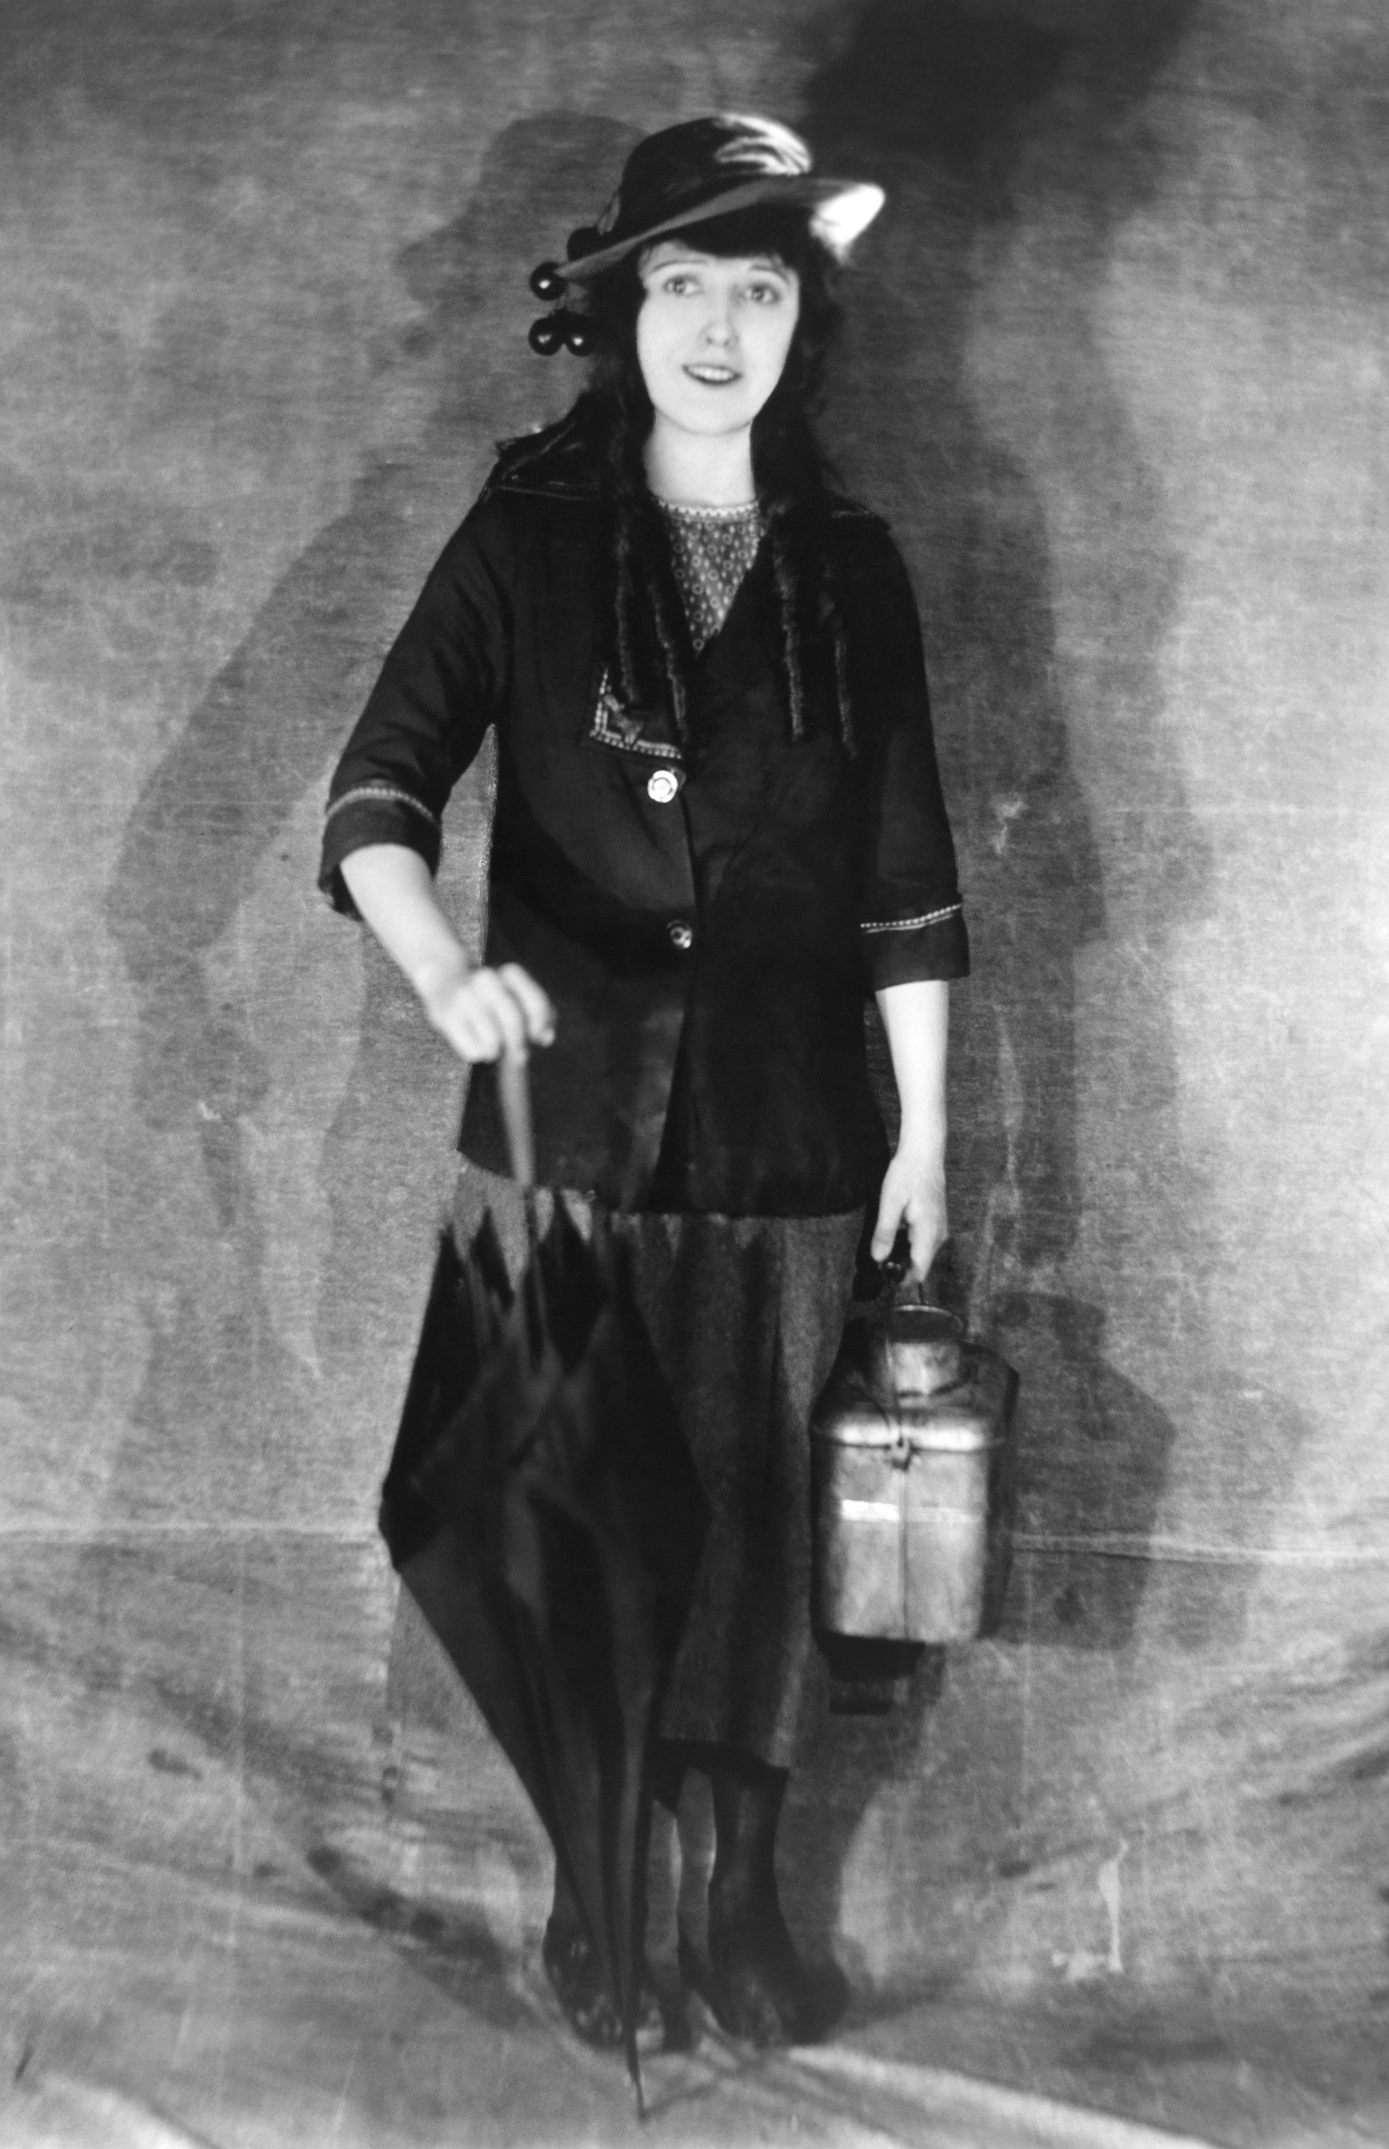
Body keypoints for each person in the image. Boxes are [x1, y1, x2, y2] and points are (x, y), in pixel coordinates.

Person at [318, 114, 968, 2050]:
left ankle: (738, 1897)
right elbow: (379, 786)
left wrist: (925, 1130)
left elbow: (908, 885)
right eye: (683, 283)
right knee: (581, 1524)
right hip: (565, 1134)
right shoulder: (526, 531)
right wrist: (443, 971)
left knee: (761, 1535)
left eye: (759, 289)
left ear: (800, 324)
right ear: (620, 310)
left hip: (791, 1137)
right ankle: (594, 1887)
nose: (717, 327)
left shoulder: (853, 571)